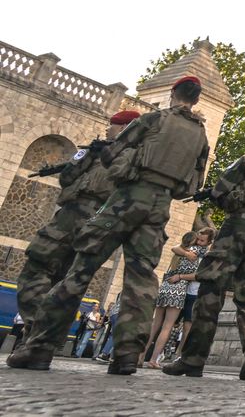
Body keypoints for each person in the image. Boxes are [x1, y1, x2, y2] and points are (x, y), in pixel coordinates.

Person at [9, 77, 209, 374]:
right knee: (141, 281)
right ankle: (127, 355)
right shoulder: (201, 137)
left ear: (172, 93)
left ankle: (40, 347)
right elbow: (192, 186)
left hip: (125, 200)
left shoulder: (153, 119)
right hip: (158, 210)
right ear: (196, 99)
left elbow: (114, 155)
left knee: (80, 270)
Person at [163, 119, 245, 381]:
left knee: (210, 288)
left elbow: (221, 190)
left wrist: (217, 197)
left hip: (236, 227)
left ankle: (193, 359)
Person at [16, 110, 140, 335]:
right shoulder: (133, 157)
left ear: (123, 128)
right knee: (69, 284)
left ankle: (37, 327)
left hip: (74, 217)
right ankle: (48, 337)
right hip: (100, 224)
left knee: (37, 269)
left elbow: (69, 179)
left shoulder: (124, 156)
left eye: (112, 125)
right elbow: (67, 178)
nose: (107, 129)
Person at [144, 231, 204, 367]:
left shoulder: (178, 253)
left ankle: (140, 357)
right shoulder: (194, 255)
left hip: (165, 285)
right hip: (178, 290)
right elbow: (198, 275)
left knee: (154, 325)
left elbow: (174, 247)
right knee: (167, 327)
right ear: (194, 242)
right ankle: (153, 360)